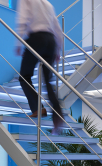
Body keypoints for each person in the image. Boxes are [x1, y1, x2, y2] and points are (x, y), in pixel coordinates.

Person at [16, 0, 63, 134]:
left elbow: (22, 19)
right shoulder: (48, 4)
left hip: (36, 38)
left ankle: (38, 108)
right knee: (47, 81)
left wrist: (18, 43)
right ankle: (57, 114)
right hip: (51, 41)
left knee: (24, 77)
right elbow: (57, 28)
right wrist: (58, 50)